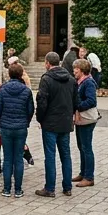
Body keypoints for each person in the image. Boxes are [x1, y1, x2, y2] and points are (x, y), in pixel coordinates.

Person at [35, 51, 77, 198]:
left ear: (47, 63)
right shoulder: (71, 79)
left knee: (50, 156)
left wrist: (40, 118)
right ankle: (67, 187)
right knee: (66, 155)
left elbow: (42, 102)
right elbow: (75, 101)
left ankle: (50, 188)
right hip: (65, 123)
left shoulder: (46, 79)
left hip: (51, 123)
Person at [0, 61, 35, 198]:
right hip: (20, 127)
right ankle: (18, 190)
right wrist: (25, 122)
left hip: (6, 127)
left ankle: (6, 189)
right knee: (18, 158)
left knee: (7, 159)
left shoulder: (2, 89)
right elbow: (30, 110)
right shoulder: (26, 91)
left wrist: (0, 123)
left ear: (9, 74)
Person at [72, 58, 97, 188]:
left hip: (86, 120)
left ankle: (89, 177)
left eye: (75, 69)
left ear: (81, 70)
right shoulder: (81, 81)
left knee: (86, 147)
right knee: (81, 146)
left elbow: (91, 101)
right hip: (81, 120)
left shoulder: (88, 83)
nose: (74, 71)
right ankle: (83, 173)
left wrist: (78, 107)